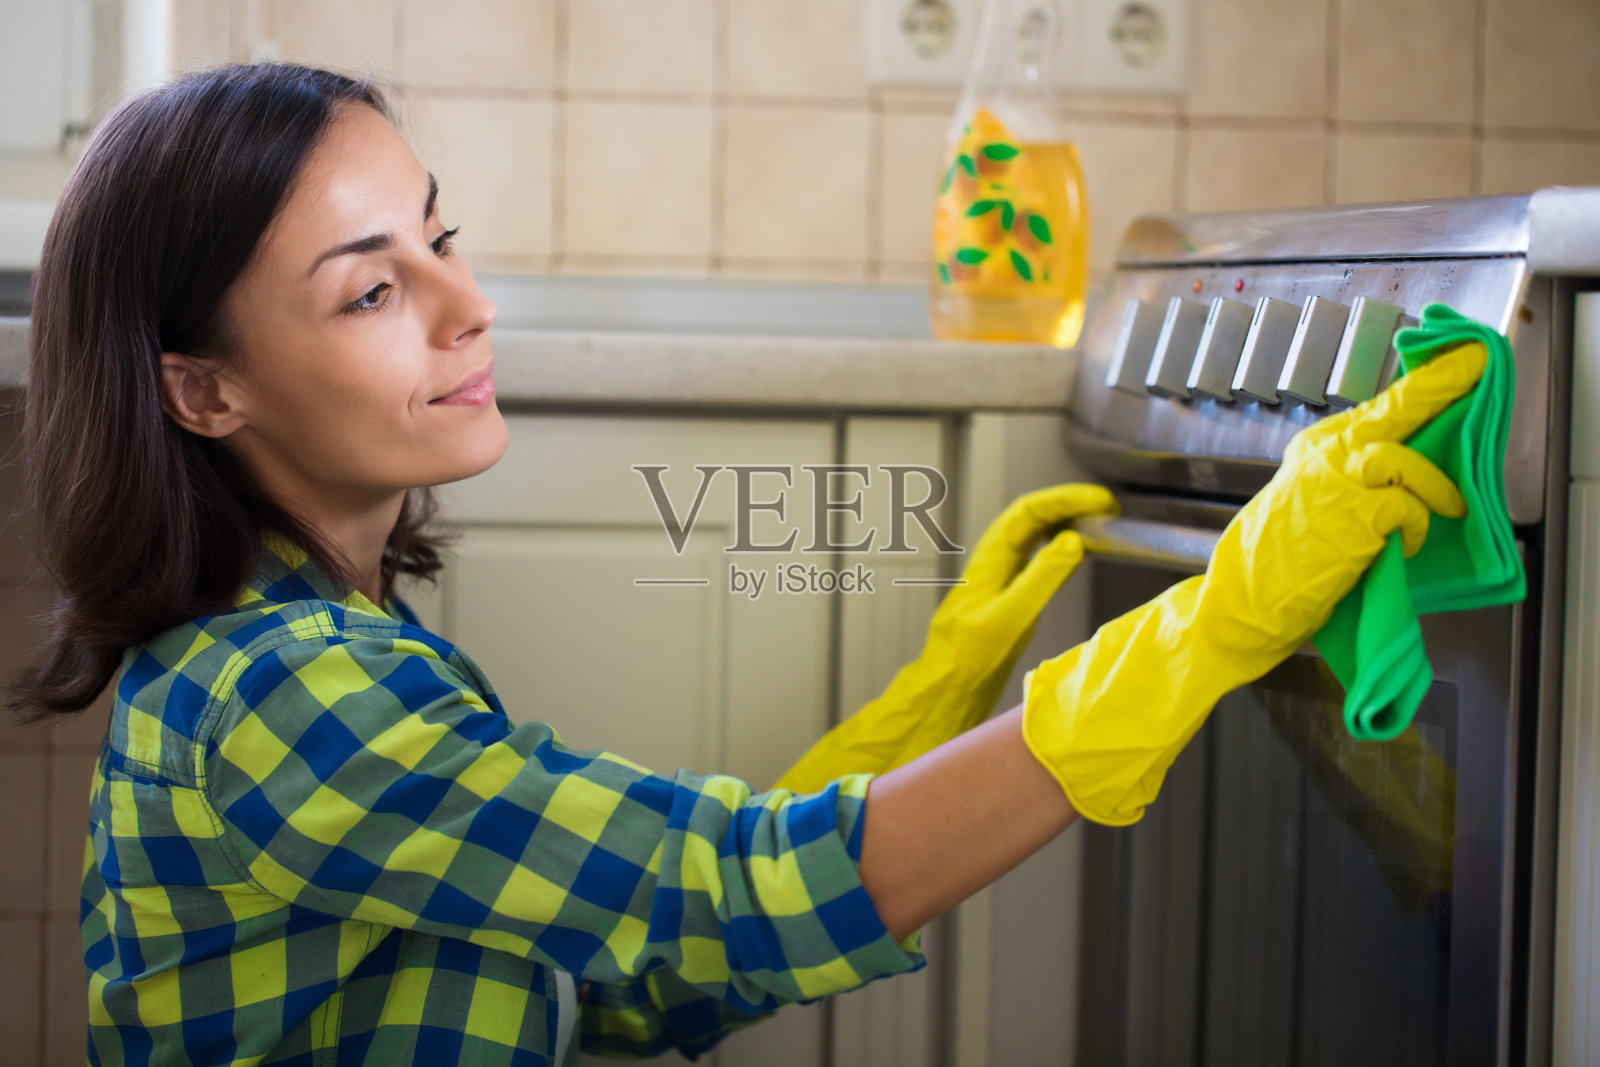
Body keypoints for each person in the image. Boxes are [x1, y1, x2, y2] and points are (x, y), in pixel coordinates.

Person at [9, 63, 1486, 1066]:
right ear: (202, 388)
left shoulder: (320, 642)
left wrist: (920, 721)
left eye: (442, 238)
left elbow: (612, 978)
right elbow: (724, 897)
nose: (469, 305)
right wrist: (1205, 634)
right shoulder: (292, 693)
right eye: (376, 289)